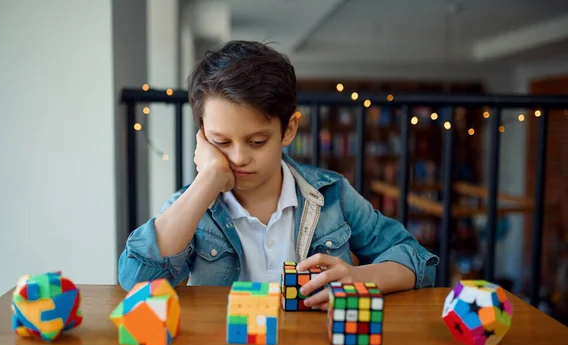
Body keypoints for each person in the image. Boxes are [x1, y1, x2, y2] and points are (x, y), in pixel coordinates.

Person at [118, 40, 439, 310]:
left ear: (289, 129)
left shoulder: (332, 194)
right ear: (203, 136)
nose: (240, 157)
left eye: (257, 141)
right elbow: (136, 280)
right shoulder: (194, 205)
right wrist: (209, 177)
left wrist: (359, 278)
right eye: (222, 142)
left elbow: (416, 259)